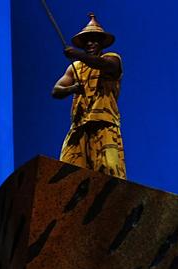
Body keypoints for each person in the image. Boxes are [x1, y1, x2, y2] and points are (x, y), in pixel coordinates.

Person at [52, 13, 125, 178]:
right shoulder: (75, 68)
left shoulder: (112, 58)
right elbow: (56, 90)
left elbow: (105, 65)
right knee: (68, 173)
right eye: (87, 41)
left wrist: (77, 54)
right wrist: (72, 89)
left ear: (101, 43)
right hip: (79, 128)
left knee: (109, 171)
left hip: (104, 125)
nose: (90, 43)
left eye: (94, 39)